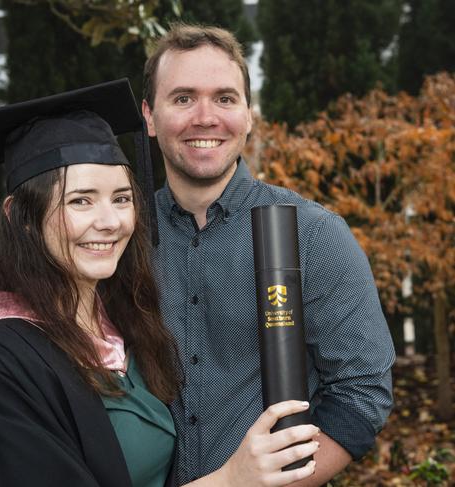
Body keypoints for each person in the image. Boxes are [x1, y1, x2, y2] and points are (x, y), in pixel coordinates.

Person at [0, 79, 320, 487]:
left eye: (122, 198)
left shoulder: (120, 324)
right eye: (81, 200)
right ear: (21, 217)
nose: (109, 222)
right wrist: (232, 480)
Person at [141, 24, 396, 486]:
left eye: (224, 98)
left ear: (249, 114)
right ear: (149, 116)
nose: (205, 117)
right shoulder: (122, 237)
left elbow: (362, 394)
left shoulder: (313, 235)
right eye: (182, 98)